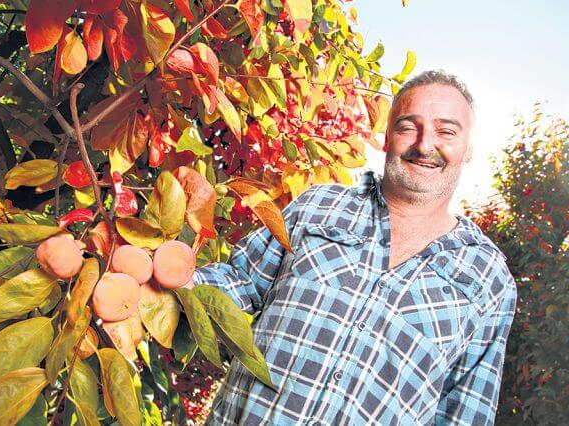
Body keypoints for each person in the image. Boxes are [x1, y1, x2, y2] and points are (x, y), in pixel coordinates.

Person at [192, 70, 517, 425]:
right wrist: (164, 286)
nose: (425, 145)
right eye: (409, 126)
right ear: (387, 138)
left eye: (446, 131)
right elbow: (239, 281)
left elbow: (463, 413)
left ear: (467, 148)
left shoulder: (489, 278)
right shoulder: (318, 206)